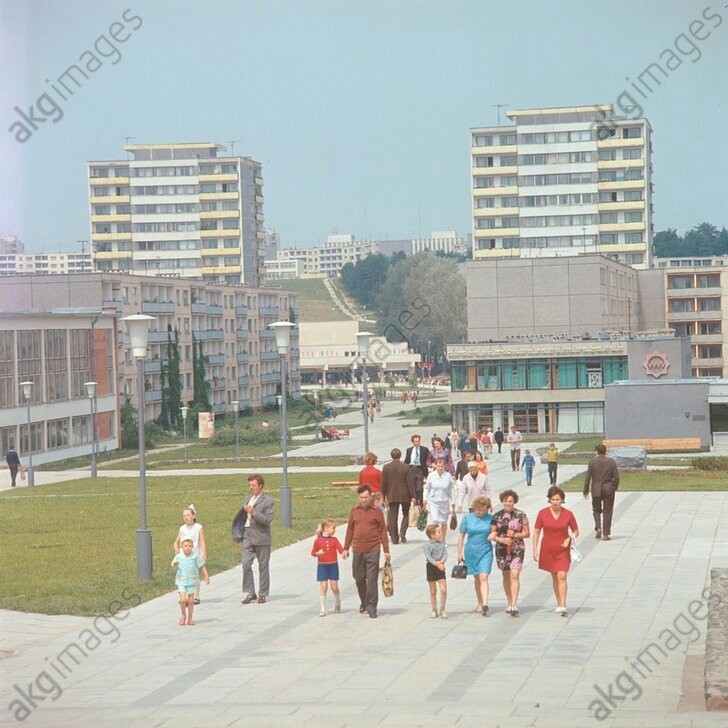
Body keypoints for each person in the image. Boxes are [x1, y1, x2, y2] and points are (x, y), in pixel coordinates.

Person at [343, 485, 390, 619]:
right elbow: (350, 530)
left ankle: (372, 606)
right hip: (357, 549)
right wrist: (345, 548)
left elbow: (382, 531)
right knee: (358, 578)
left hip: (373, 550)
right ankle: (364, 601)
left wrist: (386, 550)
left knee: (372, 579)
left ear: (371, 497)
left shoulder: (376, 511)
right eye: (361, 497)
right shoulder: (355, 510)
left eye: (366, 497)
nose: (363, 500)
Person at [533, 486, 579, 616]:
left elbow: (576, 530)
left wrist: (570, 538)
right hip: (548, 549)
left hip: (563, 550)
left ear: (562, 500)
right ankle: (558, 603)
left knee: (562, 575)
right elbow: (536, 531)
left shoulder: (568, 514)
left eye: (558, 499)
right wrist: (535, 550)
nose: (555, 502)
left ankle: (563, 605)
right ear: (549, 500)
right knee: (554, 576)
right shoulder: (542, 513)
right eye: (552, 499)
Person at [491, 489, 530, 616]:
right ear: (502, 502)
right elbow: (492, 534)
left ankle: (514, 603)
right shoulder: (497, 516)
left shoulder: (521, 515)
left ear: (514, 502)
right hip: (502, 548)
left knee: (515, 574)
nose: (508, 503)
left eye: (510, 501)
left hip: (517, 548)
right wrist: (501, 539)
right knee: (506, 575)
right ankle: (509, 601)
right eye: (506, 501)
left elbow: (527, 533)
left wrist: (516, 534)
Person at [240, 474, 275, 605]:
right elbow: (241, 518)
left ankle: (263, 594)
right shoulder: (246, 498)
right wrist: (239, 536)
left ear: (260, 485)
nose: (251, 487)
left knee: (263, 566)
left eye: (253, 485)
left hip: (262, 537)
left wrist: (254, 512)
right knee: (246, 564)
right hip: (247, 535)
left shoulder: (268, 501)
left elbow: (267, 520)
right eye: (249, 485)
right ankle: (250, 592)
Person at [457, 496, 494, 616]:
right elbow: (461, 535)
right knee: (477, 578)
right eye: (479, 510)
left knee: (484, 576)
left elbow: (495, 531)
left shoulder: (491, 518)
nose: (481, 512)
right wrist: (459, 552)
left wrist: (494, 535)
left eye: (484, 510)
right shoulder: (467, 518)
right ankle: (479, 602)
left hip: (485, 550)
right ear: (475, 508)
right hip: (471, 551)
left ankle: (485, 603)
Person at [583, 444, 620, 541]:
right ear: (605, 451)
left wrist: (585, 490)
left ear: (596, 452)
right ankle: (606, 534)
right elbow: (616, 477)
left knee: (596, 509)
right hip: (608, 488)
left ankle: (598, 527)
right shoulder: (611, 462)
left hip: (596, 488)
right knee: (607, 511)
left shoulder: (592, 462)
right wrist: (613, 487)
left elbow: (588, 478)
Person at [381, 448, 417, 545]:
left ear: (391, 456)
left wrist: (383, 495)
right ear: (400, 456)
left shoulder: (386, 467)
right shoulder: (406, 467)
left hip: (392, 494)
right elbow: (410, 483)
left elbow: (384, 483)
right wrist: (413, 495)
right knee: (405, 514)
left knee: (393, 516)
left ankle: (394, 537)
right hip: (405, 494)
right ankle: (402, 532)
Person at [173, 504, 207, 605]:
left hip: (194, 554)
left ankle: (195, 596)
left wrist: (203, 553)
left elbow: (202, 542)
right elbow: (176, 542)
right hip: (183, 556)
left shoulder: (198, 527)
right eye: (184, 516)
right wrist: (176, 549)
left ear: (193, 516)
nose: (186, 517)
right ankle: (183, 595)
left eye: (188, 515)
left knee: (194, 575)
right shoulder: (182, 528)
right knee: (182, 574)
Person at [311, 519, 345, 616]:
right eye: (333, 528)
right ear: (326, 528)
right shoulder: (318, 541)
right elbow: (313, 552)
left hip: (333, 565)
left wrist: (343, 553)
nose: (334, 530)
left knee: (334, 587)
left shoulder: (334, 540)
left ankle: (338, 602)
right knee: (324, 586)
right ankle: (322, 609)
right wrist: (317, 553)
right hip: (322, 566)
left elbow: (340, 549)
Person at [171, 538, 209, 626]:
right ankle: (183, 615)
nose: (187, 548)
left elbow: (202, 565)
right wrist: (175, 566)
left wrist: (206, 575)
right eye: (185, 546)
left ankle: (190, 617)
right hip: (181, 581)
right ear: (181, 547)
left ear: (192, 547)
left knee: (191, 602)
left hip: (192, 581)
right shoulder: (178, 557)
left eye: (189, 546)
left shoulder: (195, 556)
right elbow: (173, 568)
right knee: (183, 600)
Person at [423, 457, 454, 543]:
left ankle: (443, 540)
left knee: (443, 522)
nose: (440, 468)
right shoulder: (431, 475)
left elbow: (451, 489)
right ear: (436, 466)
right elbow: (427, 488)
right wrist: (425, 498)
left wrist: (453, 501)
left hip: (444, 501)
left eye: (442, 466)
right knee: (435, 520)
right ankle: (434, 539)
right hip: (434, 501)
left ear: (445, 466)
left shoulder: (448, 476)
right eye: (438, 466)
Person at [424, 523, 448, 619]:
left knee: (443, 589)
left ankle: (443, 609)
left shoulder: (442, 544)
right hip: (431, 567)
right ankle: (434, 610)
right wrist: (437, 564)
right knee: (433, 590)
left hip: (441, 567)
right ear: (432, 535)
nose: (441, 534)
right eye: (438, 532)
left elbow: (445, 554)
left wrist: (441, 562)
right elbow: (428, 557)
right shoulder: (427, 545)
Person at [404, 434, 429, 506]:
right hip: (411, 468)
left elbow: (428, 459)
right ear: (413, 442)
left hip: (420, 468)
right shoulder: (409, 450)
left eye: (418, 441)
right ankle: (414, 500)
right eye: (415, 441)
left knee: (419, 487)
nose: (417, 443)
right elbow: (406, 461)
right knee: (412, 486)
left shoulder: (424, 449)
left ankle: (420, 501)